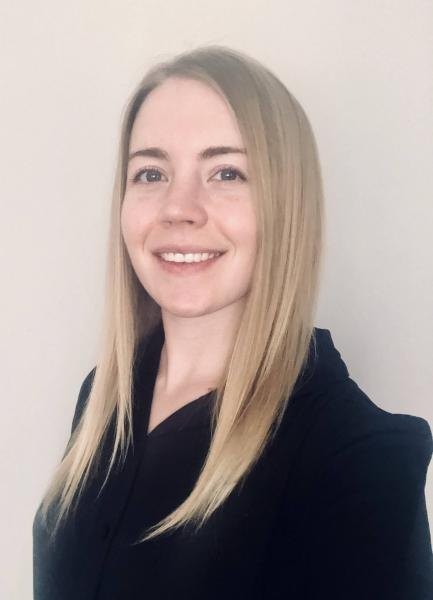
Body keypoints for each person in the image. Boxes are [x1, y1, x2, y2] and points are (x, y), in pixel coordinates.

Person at [32, 45, 433, 599]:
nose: (179, 207)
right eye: (151, 172)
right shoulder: (104, 397)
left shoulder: (355, 458)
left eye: (226, 172)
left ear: (285, 204)